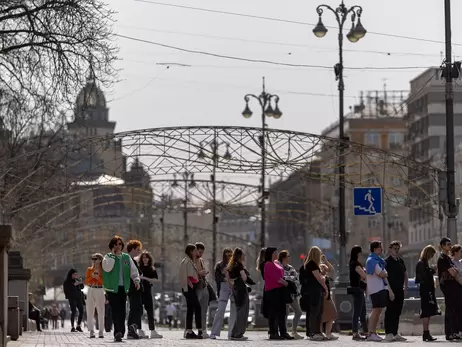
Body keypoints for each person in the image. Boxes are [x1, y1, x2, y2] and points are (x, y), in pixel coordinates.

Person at [102, 235, 141, 342]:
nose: (118, 246)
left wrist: (136, 280)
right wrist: (113, 255)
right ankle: (117, 332)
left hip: (123, 288)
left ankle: (121, 331)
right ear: (112, 245)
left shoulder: (126, 257)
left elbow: (133, 270)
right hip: (111, 289)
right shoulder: (108, 257)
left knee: (122, 311)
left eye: (119, 244)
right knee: (115, 310)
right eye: (115, 244)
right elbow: (107, 268)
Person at [299, 246, 328, 341]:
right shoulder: (312, 264)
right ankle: (313, 332)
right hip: (313, 292)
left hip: (314, 291)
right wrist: (325, 288)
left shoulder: (312, 264)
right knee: (314, 312)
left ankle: (317, 331)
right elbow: (318, 278)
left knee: (317, 312)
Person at [264, 247, 292, 340]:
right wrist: (287, 283)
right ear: (270, 254)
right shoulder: (268, 264)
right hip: (272, 291)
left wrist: (286, 282)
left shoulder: (276, 263)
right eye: (275, 253)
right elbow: (276, 278)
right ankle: (273, 333)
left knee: (282, 313)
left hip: (280, 291)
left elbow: (282, 275)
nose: (277, 254)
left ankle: (283, 332)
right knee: (273, 313)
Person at [365, 241, 391, 342]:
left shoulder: (376, 260)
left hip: (379, 289)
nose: (382, 249)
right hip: (376, 289)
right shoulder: (372, 261)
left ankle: (373, 332)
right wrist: (384, 273)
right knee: (376, 311)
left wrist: (385, 273)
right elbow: (382, 274)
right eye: (380, 247)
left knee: (378, 310)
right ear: (375, 249)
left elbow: (384, 273)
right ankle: (371, 333)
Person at [228, 247, 255, 340]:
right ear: (240, 256)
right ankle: (238, 334)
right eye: (243, 255)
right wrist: (252, 282)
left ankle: (234, 333)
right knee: (242, 312)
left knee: (239, 310)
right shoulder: (239, 265)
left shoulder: (232, 265)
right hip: (241, 289)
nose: (244, 256)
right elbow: (244, 278)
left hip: (236, 288)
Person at [384, 241, 408, 342]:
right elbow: (385, 278)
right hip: (391, 290)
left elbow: (405, 273)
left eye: (398, 249)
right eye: (395, 249)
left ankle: (395, 332)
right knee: (390, 311)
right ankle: (388, 333)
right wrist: (390, 291)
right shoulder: (386, 262)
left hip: (399, 289)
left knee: (398, 311)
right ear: (390, 249)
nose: (396, 251)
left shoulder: (400, 261)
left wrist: (406, 286)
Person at [179, 243, 205, 339]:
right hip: (188, 288)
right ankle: (199, 330)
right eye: (194, 250)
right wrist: (196, 277)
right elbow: (188, 275)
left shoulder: (189, 261)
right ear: (191, 251)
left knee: (190, 309)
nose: (196, 252)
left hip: (189, 287)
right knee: (197, 307)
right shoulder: (187, 261)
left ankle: (189, 331)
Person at [210, 248, 236, 340]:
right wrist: (224, 277)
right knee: (220, 310)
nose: (229, 257)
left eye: (230, 255)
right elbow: (217, 279)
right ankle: (214, 333)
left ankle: (232, 333)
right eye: (227, 255)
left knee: (234, 311)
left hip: (233, 287)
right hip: (224, 287)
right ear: (224, 255)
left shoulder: (235, 264)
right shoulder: (219, 265)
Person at [437, 237, 460, 341]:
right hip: (447, 286)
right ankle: (449, 333)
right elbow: (454, 273)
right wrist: (455, 271)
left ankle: (454, 332)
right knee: (450, 309)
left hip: (453, 286)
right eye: (448, 244)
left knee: (454, 309)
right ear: (442, 246)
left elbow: (455, 272)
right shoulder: (442, 258)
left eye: (450, 244)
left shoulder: (448, 258)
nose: (450, 246)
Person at [415, 245, 440, 342]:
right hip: (426, 290)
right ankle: (425, 332)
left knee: (428, 312)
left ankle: (427, 332)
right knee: (426, 311)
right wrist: (432, 270)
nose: (431, 257)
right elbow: (423, 277)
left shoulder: (424, 263)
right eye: (431, 255)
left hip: (427, 289)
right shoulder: (421, 263)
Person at [278, 250, 303, 339]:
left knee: (299, 312)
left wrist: (287, 278)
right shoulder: (278, 266)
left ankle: (294, 331)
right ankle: (284, 332)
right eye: (288, 256)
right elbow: (280, 278)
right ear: (283, 257)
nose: (290, 258)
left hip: (292, 293)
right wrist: (288, 278)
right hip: (283, 293)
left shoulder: (290, 267)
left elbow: (296, 278)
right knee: (285, 313)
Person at [139, 251, 163, 338]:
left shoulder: (151, 269)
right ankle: (139, 330)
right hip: (139, 292)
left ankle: (152, 331)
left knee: (150, 312)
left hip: (148, 291)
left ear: (149, 259)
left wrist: (145, 278)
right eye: (143, 258)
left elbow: (156, 280)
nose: (145, 259)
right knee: (139, 311)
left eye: (146, 257)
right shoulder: (139, 268)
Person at [126, 240, 144, 339]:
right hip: (133, 288)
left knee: (134, 309)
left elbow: (139, 273)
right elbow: (137, 274)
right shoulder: (128, 259)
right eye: (137, 249)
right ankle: (133, 327)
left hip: (134, 288)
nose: (139, 252)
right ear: (132, 249)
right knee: (138, 309)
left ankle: (131, 330)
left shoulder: (132, 260)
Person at [349, 245, 368, 340]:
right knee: (357, 311)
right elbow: (364, 275)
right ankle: (355, 332)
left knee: (362, 311)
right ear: (357, 253)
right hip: (357, 290)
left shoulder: (355, 263)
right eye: (360, 252)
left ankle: (366, 331)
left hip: (359, 289)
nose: (361, 254)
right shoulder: (355, 264)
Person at [85, 253, 105, 338]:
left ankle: (101, 331)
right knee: (90, 311)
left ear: (100, 260)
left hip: (100, 289)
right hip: (90, 289)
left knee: (100, 311)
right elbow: (86, 281)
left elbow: (104, 282)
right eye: (92, 259)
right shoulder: (89, 269)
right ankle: (91, 331)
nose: (93, 260)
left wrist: (97, 278)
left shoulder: (103, 270)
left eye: (95, 259)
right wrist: (92, 277)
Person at [194, 242, 210, 338]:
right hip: (196, 288)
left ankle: (203, 330)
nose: (201, 254)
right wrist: (200, 273)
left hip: (203, 286)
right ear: (195, 250)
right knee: (195, 310)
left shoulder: (201, 260)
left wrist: (204, 272)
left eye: (202, 252)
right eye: (199, 252)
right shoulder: (191, 260)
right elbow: (190, 274)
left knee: (204, 310)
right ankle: (189, 329)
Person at [320, 257, 337, 340]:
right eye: (322, 268)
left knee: (331, 315)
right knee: (326, 315)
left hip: (327, 297)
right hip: (324, 296)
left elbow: (331, 270)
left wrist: (326, 261)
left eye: (324, 268)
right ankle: (325, 333)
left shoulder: (325, 276)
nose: (324, 270)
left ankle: (327, 333)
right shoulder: (320, 276)